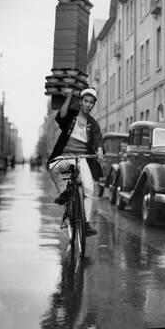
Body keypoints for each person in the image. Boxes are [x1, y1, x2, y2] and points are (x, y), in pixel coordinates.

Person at [47, 87, 104, 237]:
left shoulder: (93, 123)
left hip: (82, 158)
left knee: (89, 189)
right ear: (80, 102)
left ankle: (86, 224)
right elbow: (61, 117)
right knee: (53, 167)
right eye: (85, 101)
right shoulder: (72, 116)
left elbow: (98, 138)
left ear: (93, 105)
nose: (87, 104)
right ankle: (64, 193)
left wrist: (100, 150)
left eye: (91, 102)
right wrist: (67, 98)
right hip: (65, 156)